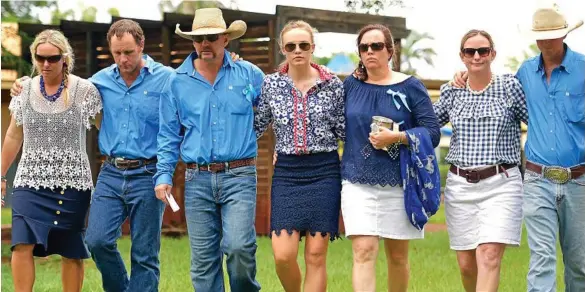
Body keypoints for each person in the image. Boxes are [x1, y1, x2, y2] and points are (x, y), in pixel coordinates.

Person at [451, 4, 585, 291]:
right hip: (537, 179)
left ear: (564, 35)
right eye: (541, 35)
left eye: (554, 34)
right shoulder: (525, 73)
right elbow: (486, 85)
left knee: (580, 264)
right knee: (542, 258)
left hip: (579, 179)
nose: (547, 41)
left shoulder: (583, 69)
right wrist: (462, 76)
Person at [154, 8, 264, 292]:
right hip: (196, 179)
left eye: (211, 37)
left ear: (225, 39)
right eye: (198, 38)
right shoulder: (176, 83)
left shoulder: (250, 75)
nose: (204, 44)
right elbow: (168, 134)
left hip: (240, 175)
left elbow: (275, 107)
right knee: (203, 263)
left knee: (239, 248)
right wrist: (163, 175)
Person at [340, 24, 441, 292]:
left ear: (390, 50)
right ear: (359, 53)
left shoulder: (410, 86)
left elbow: (432, 133)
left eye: (377, 46)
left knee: (397, 256)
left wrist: (397, 138)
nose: (370, 51)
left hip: (399, 183)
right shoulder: (350, 85)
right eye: (364, 47)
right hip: (356, 180)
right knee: (363, 250)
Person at [1, 29, 102, 292]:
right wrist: (0, 174)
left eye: (53, 58)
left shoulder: (85, 91)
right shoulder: (23, 90)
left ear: (65, 58)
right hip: (29, 182)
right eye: (39, 58)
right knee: (21, 243)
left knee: (71, 250)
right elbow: (13, 134)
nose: (45, 65)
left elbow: (108, 130)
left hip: (73, 183)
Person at [254, 20, 345, 292]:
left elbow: (345, 130)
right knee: (283, 255)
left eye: (303, 45)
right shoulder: (270, 85)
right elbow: (256, 126)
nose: (298, 50)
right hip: (287, 173)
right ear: (283, 49)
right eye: (291, 46)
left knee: (316, 256)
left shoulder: (333, 85)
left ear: (312, 48)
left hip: (325, 171)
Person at [435, 29, 528, 292]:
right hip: (460, 185)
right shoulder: (451, 91)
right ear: (462, 56)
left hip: (502, 182)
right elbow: (427, 123)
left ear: (493, 54)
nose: (477, 56)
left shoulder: (509, 87)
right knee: (466, 264)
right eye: (470, 51)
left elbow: (537, 120)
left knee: (488, 254)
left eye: (483, 51)